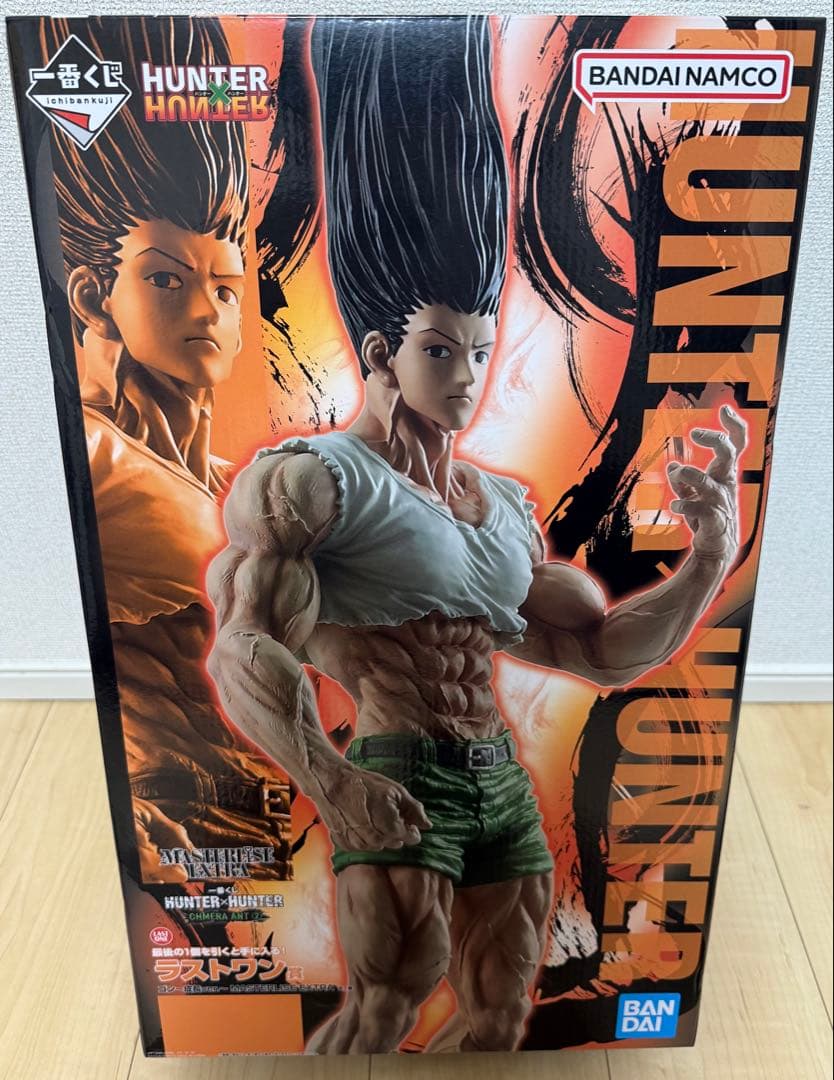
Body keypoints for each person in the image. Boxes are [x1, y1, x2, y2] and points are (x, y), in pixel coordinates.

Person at [207, 16, 745, 1052]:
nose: (468, 377)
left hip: (497, 780)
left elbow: (596, 652)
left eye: (481, 350)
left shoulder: (502, 510)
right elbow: (242, 650)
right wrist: (337, 787)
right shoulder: (313, 484)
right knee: (387, 1005)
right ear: (380, 351)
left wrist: (706, 562)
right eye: (440, 351)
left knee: (500, 1013)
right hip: (396, 770)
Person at [46, 16, 291, 882]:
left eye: (225, 286)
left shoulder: (219, 480)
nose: (206, 312)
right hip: (175, 831)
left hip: (256, 817)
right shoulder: (100, 459)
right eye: (165, 278)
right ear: (91, 296)